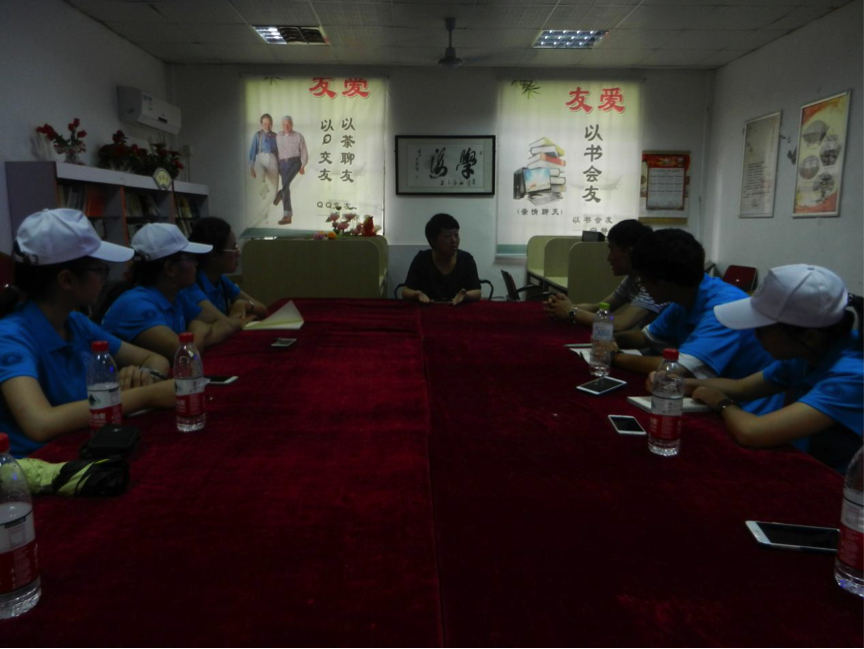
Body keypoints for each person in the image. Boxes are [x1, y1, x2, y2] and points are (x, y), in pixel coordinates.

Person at [0, 209, 175, 457]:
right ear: (67, 280)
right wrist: (147, 395)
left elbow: (154, 359)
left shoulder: (76, 322)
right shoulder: (10, 337)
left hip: (85, 447)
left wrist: (143, 376)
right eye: (100, 270)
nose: (104, 279)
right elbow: (40, 423)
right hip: (40, 465)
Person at [662, 265, 864, 472]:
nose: (755, 336)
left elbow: (752, 432)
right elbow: (742, 387)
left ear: (810, 336)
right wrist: (677, 382)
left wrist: (720, 402)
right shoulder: (808, 351)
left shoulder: (853, 374)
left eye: (763, 330)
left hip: (837, 483)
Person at [611, 229, 781, 414]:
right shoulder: (687, 295)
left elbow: (679, 370)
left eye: (642, 281)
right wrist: (611, 340)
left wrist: (614, 357)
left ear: (664, 284)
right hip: (712, 396)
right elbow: (647, 337)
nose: (642, 287)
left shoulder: (723, 307)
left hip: (747, 410)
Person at [102, 223, 242, 360]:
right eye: (191, 258)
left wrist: (193, 338)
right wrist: (199, 328)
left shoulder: (176, 295)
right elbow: (185, 353)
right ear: (170, 268)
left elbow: (227, 324)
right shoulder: (136, 306)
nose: (196, 263)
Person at [543, 220, 667, 331]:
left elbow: (620, 324)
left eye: (612, 250)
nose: (609, 258)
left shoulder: (653, 283)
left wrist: (571, 311)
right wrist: (565, 306)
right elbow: (598, 308)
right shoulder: (632, 278)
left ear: (630, 252)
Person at [186, 217, 268, 323]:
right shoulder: (192, 286)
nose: (238, 253)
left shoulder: (221, 280)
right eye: (234, 248)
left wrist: (243, 304)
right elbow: (227, 324)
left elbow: (263, 309)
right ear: (214, 255)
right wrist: (250, 316)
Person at [402, 213, 482, 306]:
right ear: (433, 240)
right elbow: (405, 291)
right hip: (428, 311)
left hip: (458, 311)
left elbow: (477, 292)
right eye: (447, 236)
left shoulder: (466, 260)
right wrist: (417, 294)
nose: (454, 240)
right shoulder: (422, 259)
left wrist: (466, 295)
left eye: (456, 235)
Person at [273, 115, 308, 225]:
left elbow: (304, 151)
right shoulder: (278, 136)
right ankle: (287, 217)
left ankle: (280, 194)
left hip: (295, 163)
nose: (286, 126)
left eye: (288, 124)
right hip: (283, 164)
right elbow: (276, 152)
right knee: (286, 188)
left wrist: (303, 165)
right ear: (281, 125)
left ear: (292, 124)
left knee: (285, 186)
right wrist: (277, 166)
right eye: (284, 124)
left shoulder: (298, 136)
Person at [248, 113, 279, 206]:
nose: (267, 126)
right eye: (265, 124)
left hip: (273, 159)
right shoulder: (258, 135)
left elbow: (279, 152)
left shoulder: (276, 136)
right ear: (261, 124)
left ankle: (271, 205)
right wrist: (251, 167)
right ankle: (262, 200)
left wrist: (281, 166)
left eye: (269, 124)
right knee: (261, 181)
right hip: (261, 159)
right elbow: (253, 151)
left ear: (272, 124)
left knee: (274, 185)